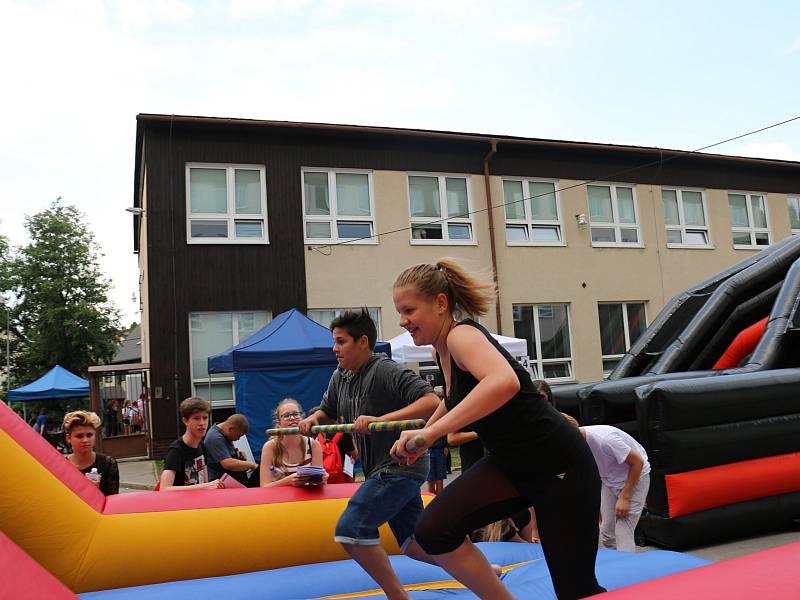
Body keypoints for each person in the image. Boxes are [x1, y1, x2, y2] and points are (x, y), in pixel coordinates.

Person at [390, 260, 605, 600]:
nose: (403, 321)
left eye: (409, 310)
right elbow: (454, 397)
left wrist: (431, 434)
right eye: (399, 312)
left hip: (561, 468)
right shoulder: (441, 349)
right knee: (433, 531)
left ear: (441, 304)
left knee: (576, 590)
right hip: (512, 465)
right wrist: (426, 433)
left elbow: (503, 381)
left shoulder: (462, 335)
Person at [298, 309, 441, 600]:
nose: (335, 348)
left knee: (351, 529)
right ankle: (480, 568)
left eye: (341, 341)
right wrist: (314, 420)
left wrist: (380, 418)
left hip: (400, 464)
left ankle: (396, 596)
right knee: (413, 544)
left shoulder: (384, 369)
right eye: (334, 342)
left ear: (363, 342)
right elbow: (328, 411)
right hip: (379, 469)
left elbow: (430, 401)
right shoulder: (340, 376)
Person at [580, 425, 651, 552]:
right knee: (607, 532)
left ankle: (627, 569)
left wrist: (624, 497)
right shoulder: (574, 442)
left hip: (635, 477)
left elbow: (638, 463)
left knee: (623, 531)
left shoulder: (606, 440)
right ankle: (616, 564)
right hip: (610, 480)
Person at [159, 397, 222, 491]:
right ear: (185, 421)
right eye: (196, 418)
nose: (202, 423)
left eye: (205, 418)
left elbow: (205, 483)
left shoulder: (202, 446)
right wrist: (206, 486)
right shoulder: (176, 451)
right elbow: (164, 489)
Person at [260, 398, 324, 487]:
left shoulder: (313, 445)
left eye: (296, 414)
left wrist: (322, 480)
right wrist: (289, 481)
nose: (292, 418)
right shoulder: (270, 447)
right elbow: (264, 486)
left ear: (302, 417)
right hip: (280, 500)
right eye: (286, 415)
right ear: (279, 423)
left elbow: (319, 484)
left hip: (308, 499)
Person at [63, 411, 119, 496]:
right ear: (68, 438)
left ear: (95, 435)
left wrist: (95, 491)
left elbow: (112, 500)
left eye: (89, 435)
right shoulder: (62, 465)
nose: (85, 440)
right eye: (79, 436)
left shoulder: (108, 463)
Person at [204, 414, 259, 487]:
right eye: (238, 435)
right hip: (221, 484)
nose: (238, 439)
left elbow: (225, 454)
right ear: (230, 429)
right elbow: (228, 464)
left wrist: (236, 453)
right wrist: (252, 465)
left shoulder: (224, 433)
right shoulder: (215, 437)